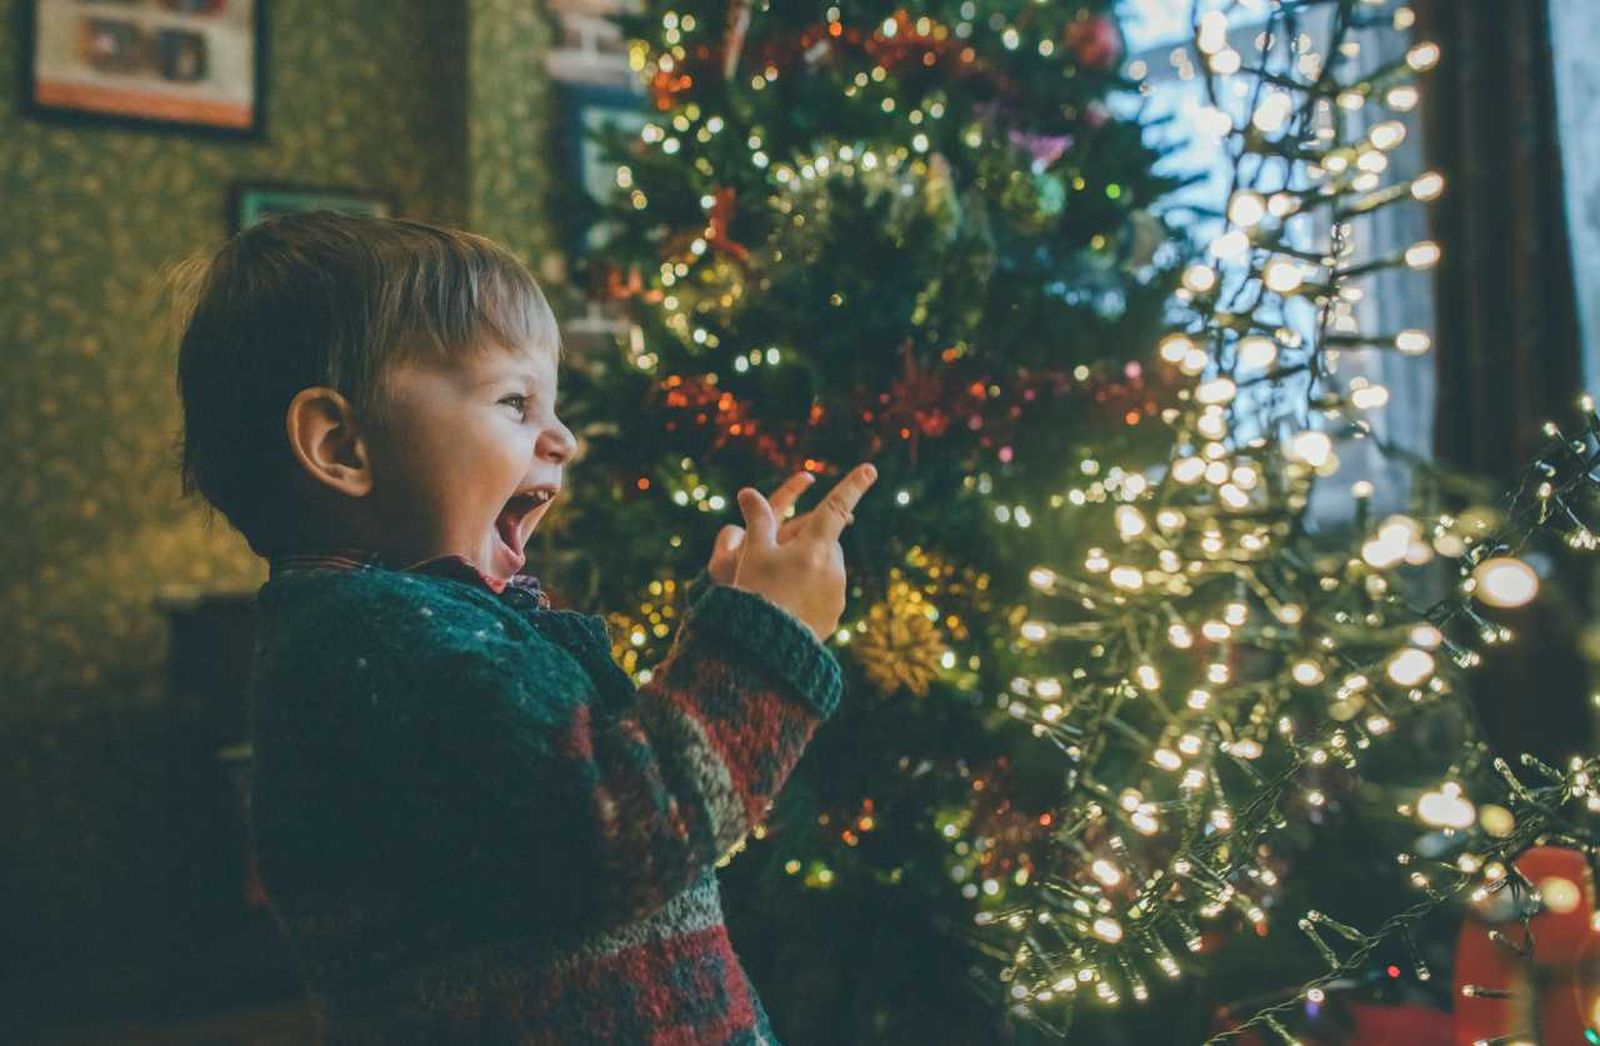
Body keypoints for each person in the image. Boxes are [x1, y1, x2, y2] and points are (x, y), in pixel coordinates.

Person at [172, 210, 878, 1043]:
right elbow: (624, 827)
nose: (563, 438)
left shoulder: (428, 627)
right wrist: (763, 638)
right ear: (341, 446)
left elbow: (602, 770)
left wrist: (718, 628)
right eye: (515, 402)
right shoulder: (371, 644)